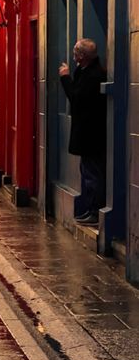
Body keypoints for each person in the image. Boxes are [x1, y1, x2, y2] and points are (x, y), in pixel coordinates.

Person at [59, 38, 107, 226]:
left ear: (82, 56)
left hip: (91, 135)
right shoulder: (87, 71)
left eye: (75, 53)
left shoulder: (93, 76)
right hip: (88, 134)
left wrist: (65, 77)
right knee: (87, 172)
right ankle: (91, 209)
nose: (73, 56)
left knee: (92, 174)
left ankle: (96, 211)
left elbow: (76, 98)